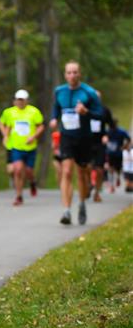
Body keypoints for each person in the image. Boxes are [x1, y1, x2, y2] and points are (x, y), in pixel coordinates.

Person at [49, 60, 103, 225]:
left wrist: (86, 111)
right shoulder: (59, 91)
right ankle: (66, 211)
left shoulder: (89, 92)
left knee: (81, 173)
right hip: (66, 136)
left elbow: (100, 114)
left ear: (80, 74)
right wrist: (54, 119)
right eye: (69, 72)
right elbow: (56, 108)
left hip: (84, 138)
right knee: (66, 172)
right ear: (65, 75)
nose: (72, 75)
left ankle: (82, 204)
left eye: (75, 72)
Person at [0, 89, 44, 206]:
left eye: (22, 100)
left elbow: (41, 126)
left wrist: (33, 137)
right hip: (16, 146)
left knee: (28, 171)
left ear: (26, 101)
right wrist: (5, 135)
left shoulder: (34, 112)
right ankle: (19, 196)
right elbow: (2, 124)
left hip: (30, 147)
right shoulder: (9, 112)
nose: (20, 102)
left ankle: (32, 182)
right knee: (17, 170)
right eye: (18, 100)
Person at [89, 91, 113, 202]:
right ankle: (88, 185)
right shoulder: (85, 109)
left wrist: (107, 136)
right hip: (87, 142)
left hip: (100, 142)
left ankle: (97, 193)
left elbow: (112, 126)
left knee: (99, 169)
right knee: (86, 167)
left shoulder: (105, 110)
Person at [104, 118, 131, 192]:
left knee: (118, 169)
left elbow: (129, 139)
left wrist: (124, 147)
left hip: (118, 154)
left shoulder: (121, 131)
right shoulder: (107, 131)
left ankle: (118, 177)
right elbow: (103, 139)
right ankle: (111, 186)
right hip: (110, 153)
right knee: (110, 169)